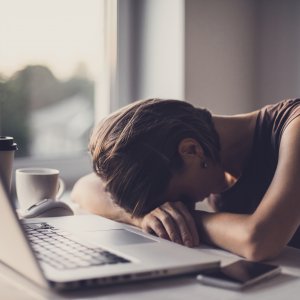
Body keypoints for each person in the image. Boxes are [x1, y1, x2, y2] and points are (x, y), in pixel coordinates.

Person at [71, 98, 300, 261]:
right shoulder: (216, 165)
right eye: (178, 206)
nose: (180, 207)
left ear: (191, 150)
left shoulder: (294, 126)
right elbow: (84, 187)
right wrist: (142, 217)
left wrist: (186, 220)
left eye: (182, 199)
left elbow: (259, 241)